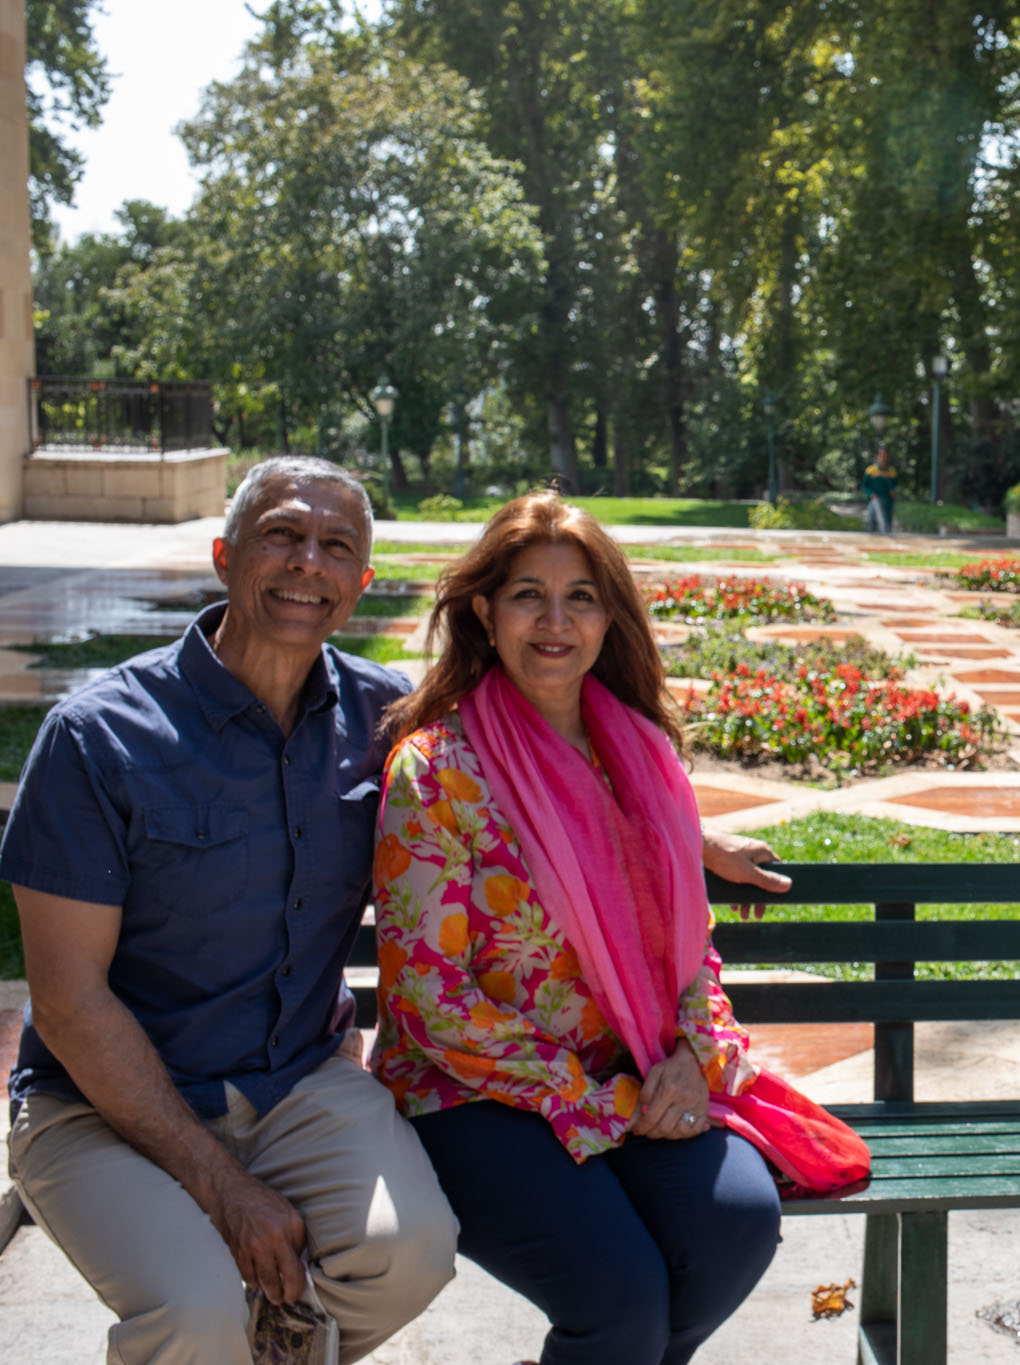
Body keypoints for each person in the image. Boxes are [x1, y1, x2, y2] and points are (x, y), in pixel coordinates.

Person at [2, 456, 458, 1365]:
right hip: (96, 1103)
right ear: (225, 555)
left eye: (336, 546)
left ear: (362, 581)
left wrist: (686, 834)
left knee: (409, 1252)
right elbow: (68, 1002)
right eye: (282, 534)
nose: (308, 562)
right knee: (194, 1310)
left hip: (295, 1079)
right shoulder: (98, 736)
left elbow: (536, 789)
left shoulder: (385, 719)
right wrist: (223, 1187)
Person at [372, 491, 799, 1365]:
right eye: (528, 595)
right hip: (473, 1097)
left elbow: (689, 949)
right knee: (622, 1299)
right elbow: (430, 1002)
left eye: (581, 598)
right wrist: (591, 1099)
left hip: (628, 1077)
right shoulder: (437, 770)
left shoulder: (638, 756)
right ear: (485, 613)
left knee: (736, 1226)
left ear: (610, 618)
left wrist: (694, 1056)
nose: (555, 622)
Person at [861, 444, 898, 534]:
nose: (883, 457)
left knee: (886, 525)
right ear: (877, 456)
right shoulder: (870, 470)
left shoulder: (892, 471)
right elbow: (864, 486)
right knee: (871, 524)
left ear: (888, 456)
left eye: (885, 455)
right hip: (874, 501)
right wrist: (870, 494)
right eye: (881, 454)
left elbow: (894, 486)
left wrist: (893, 491)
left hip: (887, 503)